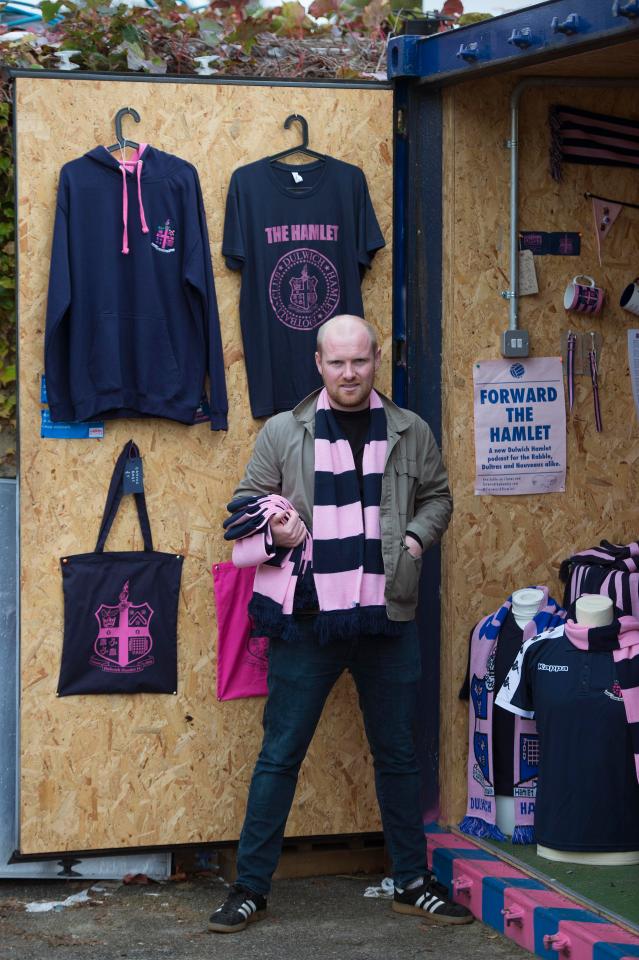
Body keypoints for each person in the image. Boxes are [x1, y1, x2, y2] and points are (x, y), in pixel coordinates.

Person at [209, 314, 471, 933]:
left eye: (360, 361)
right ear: (318, 364)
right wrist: (274, 524)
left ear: (377, 360)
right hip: (307, 618)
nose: (349, 373)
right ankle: (250, 889)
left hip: (388, 615)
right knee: (280, 755)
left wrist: (412, 540)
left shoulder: (411, 431)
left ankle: (412, 881)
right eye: (337, 363)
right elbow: (245, 502)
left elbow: (439, 497)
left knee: (399, 756)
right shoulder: (283, 431)